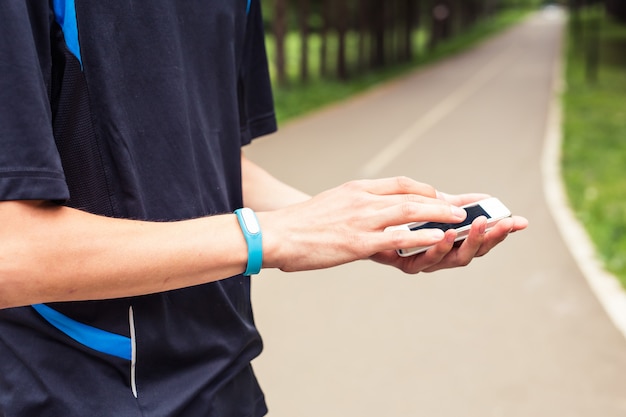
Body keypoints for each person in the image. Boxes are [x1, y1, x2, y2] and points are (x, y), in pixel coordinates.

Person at [0, 1, 527, 416]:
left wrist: (358, 226)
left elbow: (212, 159)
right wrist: (271, 236)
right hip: (78, 392)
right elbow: (10, 253)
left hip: (226, 383)